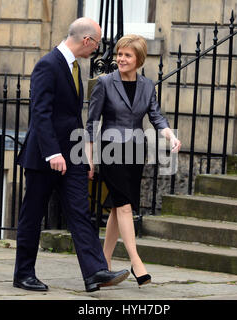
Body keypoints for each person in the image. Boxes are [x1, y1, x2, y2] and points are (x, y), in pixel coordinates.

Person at [14, 17, 129, 293]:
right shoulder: (48, 65)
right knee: (33, 214)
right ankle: (23, 274)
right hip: (45, 157)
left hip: (72, 155)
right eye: (98, 43)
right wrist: (52, 152)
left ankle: (94, 272)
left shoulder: (76, 66)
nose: (98, 49)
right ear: (86, 40)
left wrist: (83, 153)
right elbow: (40, 114)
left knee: (80, 212)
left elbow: (72, 118)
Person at [86, 34, 181, 286]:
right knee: (125, 205)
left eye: (127, 55)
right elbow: (92, 122)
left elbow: (156, 116)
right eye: (119, 54)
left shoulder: (147, 86)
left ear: (138, 59)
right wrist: (89, 157)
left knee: (120, 205)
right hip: (111, 150)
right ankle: (136, 261)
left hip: (136, 150)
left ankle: (103, 262)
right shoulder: (104, 83)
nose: (121, 58)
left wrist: (170, 136)